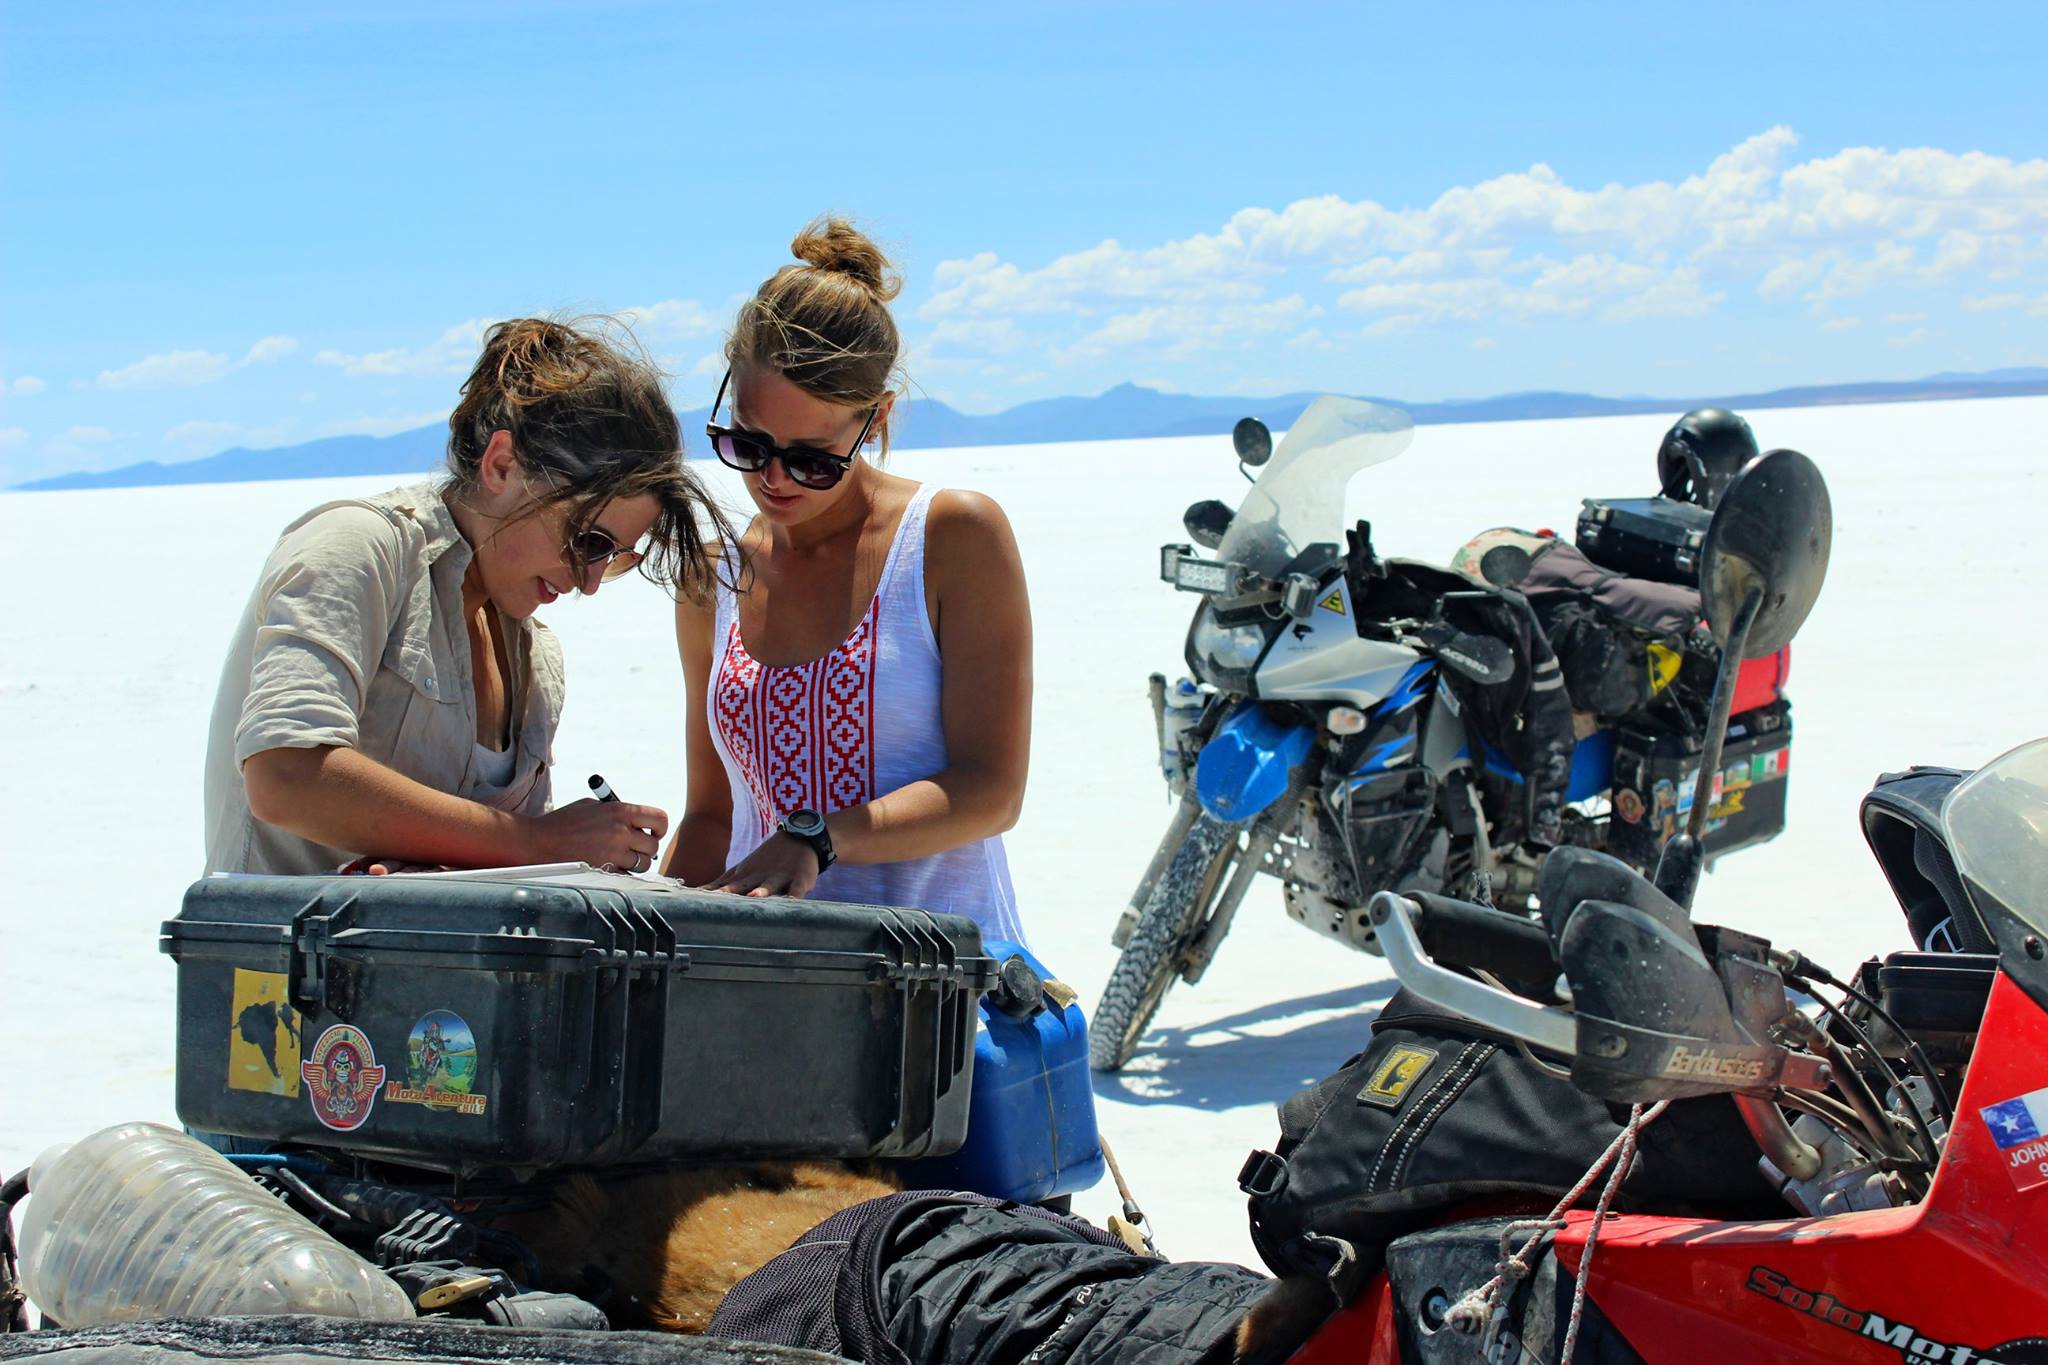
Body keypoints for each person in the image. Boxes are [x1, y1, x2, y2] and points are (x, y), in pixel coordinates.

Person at [203, 316, 727, 877]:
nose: (589, 581)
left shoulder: (536, 658)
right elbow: (285, 776)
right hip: (278, 937)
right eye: (587, 542)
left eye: (613, 556)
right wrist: (536, 843)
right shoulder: (360, 547)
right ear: (501, 466)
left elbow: (479, 861)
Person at [662, 218, 1032, 947]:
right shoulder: (713, 577)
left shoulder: (951, 538)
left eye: (812, 458)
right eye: (748, 444)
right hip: (765, 983)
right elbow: (712, 815)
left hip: (939, 982)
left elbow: (992, 790)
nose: (773, 479)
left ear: (877, 418)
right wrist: (650, 936)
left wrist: (820, 838)